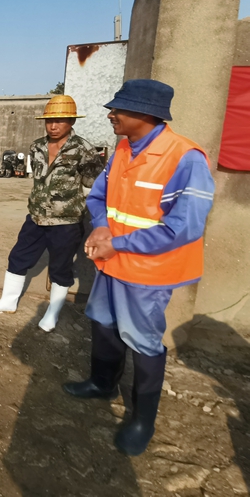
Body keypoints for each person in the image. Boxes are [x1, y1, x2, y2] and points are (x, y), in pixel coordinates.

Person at [63, 79, 215, 456]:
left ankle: (143, 420)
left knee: (143, 341)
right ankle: (102, 384)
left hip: (149, 272)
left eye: (119, 109)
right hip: (112, 263)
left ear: (146, 114)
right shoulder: (123, 149)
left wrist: (117, 243)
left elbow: (184, 227)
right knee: (103, 324)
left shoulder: (185, 158)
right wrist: (101, 227)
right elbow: (99, 197)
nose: (111, 114)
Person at [0, 94, 103, 331]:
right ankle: (8, 301)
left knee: (60, 267)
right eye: (49, 120)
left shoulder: (84, 150)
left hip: (66, 221)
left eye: (60, 120)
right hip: (36, 216)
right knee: (18, 257)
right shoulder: (37, 146)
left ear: (72, 121)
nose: (53, 125)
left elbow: (94, 184)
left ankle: (52, 312)